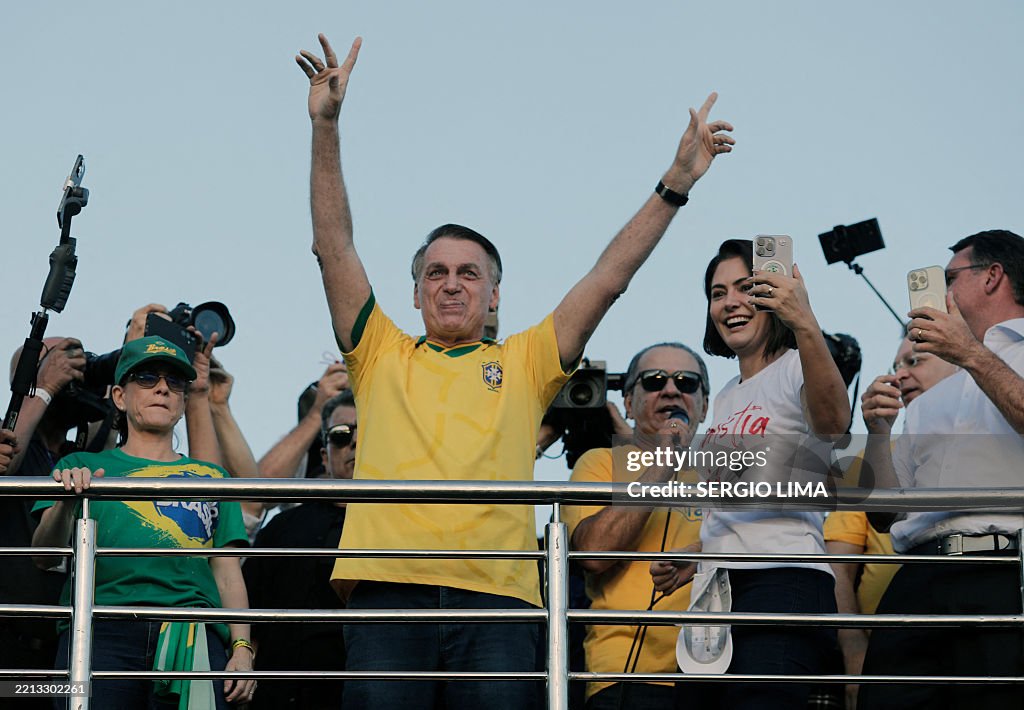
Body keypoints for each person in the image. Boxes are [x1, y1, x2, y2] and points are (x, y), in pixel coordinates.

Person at [295, 31, 734, 709]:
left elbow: (608, 277)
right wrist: (326, 127)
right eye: (434, 273)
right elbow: (334, 246)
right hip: (387, 591)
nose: (450, 285)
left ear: (494, 294)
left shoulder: (527, 361)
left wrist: (675, 184)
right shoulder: (379, 350)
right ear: (414, 293)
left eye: (469, 274)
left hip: (498, 599)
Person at [654, 239, 850, 709]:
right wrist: (700, 553)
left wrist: (804, 320)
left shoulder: (796, 367)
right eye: (718, 293)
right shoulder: (723, 394)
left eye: (746, 287)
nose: (731, 303)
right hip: (717, 589)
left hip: (783, 580)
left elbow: (835, 423)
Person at [31, 336, 256, 709]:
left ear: (184, 402)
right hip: (98, 630)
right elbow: (43, 556)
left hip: (192, 633)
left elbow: (228, 572)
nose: (163, 388)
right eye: (147, 377)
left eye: (175, 383)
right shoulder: (78, 466)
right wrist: (65, 504)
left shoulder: (212, 476)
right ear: (119, 396)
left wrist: (242, 648)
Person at [859, 230, 1024, 710]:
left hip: (1000, 570)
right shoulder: (932, 395)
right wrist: (878, 432)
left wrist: (970, 354)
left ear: (993, 276)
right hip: (917, 577)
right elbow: (884, 516)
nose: (941, 293)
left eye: (950, 278)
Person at [564, 343, 707, 709]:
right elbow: (593, 554)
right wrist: (663, 461)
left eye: (687, 382)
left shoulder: (730, 470)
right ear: (627, 403)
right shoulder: (600, 462)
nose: (672, 390)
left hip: (721, 669)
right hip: (626, 676)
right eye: (655, 380)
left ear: (704, 404)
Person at [825, 331, 956, 710]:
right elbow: (839, 569)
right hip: (891, 651)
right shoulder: (870, 460)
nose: (899, 376)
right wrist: (853, 650)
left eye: (915, 361)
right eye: (895, 366)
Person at [243, 390, 356, 710]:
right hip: (277, 695)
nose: (355, 443)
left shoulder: (402, 529)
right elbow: (249, 612)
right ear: (324, 455)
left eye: (367, 434)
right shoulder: (282, 527)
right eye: (341, 435)